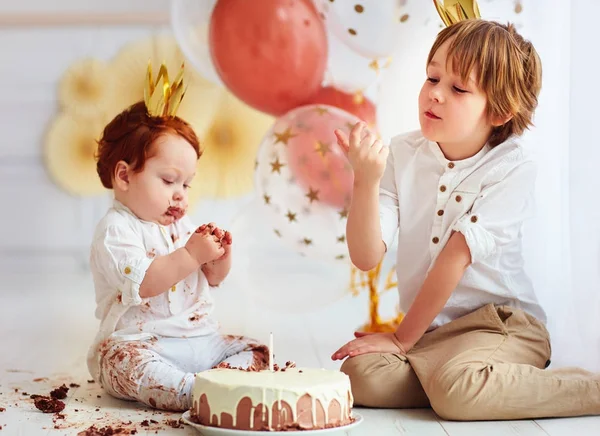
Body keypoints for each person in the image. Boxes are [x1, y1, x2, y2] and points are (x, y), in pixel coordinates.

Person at [332, 19, 600, 420]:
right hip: (436, 333)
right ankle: (463, 382)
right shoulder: (403, 153)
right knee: (360, 376)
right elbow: (367, 256)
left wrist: (403, 341)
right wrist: (366, 181)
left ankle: (589, 390)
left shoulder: (512, 168)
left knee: (455, 392)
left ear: (499, 112)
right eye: (432, 77)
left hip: (504, 326)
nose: (435, 94)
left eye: (458, 89)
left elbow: (455, 257)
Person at [86, 64, 268, 412]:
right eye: (169, 180)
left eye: (187, 184)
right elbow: (146, 284)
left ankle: (220, 380)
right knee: (120, 364)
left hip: (201, 341)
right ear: (124, 175)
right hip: (143, 343)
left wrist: (218, 258)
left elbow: (211, 279)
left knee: (256, 349)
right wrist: (191, 255)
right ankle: (193, 391)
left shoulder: (181, 226)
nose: (181, 194)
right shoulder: (115, 231)